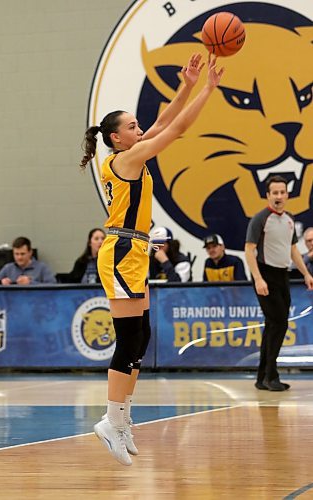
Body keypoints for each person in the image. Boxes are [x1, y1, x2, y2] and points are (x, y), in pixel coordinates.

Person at [79, 53, 224, 465]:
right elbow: (175, 128)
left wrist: (187, 84)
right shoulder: (125, 160)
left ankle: (121, 418)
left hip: (135, 249)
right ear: (116, 139)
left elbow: (162, 123)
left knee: (140, 336)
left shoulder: (130, 152)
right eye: (132, 127)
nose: (140, 130)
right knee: (129, 339)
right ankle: (110, 420)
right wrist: (209, 89)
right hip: (122, 250)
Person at [245, 175, 313, 392]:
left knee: (273, 325)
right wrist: (258, 279)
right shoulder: (260, 219)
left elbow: (293, 250)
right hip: (265, 274)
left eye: (282, 192)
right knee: (280, 323)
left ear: (287, 195)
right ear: (268, 195)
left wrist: (306, 274)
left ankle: (262, 377)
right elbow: (249, 249)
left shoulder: (290, 220)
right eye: (275, 193)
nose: (279, 196)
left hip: (283, 275)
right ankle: (271, 376)